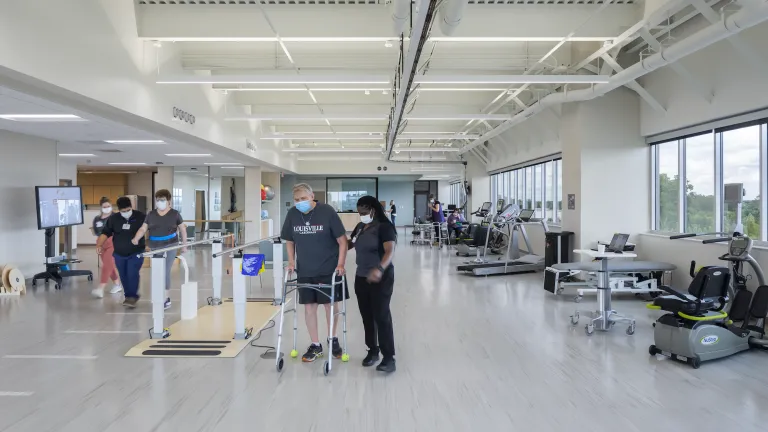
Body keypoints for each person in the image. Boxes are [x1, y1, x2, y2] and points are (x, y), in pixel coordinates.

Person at [281, 183, 348, 363]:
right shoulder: (292, 214)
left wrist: (341, 263)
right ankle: (315, 344)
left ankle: (332, 339)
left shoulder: (327, 212)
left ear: (312, 196)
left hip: (329, 267)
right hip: (305, 268)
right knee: (309, 307)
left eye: (303, 199)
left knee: (330, 306)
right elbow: (289, 240)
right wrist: (292, 261)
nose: (300, 202)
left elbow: (342, 241)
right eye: (296, 200)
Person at [348, 196, 397, 373]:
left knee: (381, 315)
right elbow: (349, 244)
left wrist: (380, 268)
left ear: (373, 210)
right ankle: (372, 351)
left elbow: (390, 251)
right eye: (359, 212)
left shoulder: (385, 227)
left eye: (364, 212)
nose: (361, 215)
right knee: (366, 315)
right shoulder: (361, 227)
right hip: (361, 276)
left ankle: (389, 357)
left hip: (381, 277)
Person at [132, 189, 187, 310]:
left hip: (171, 244)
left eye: (162, 200)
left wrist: (184, 245)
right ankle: (159, 295)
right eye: (158, 200)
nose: (160, 202)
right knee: (157, 271)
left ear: (168, 201)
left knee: (165, 270)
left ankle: (166, 298)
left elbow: (182, 229)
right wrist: (136, 238)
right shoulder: (151, 214)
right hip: (155, 245)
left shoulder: (175, 214)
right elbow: (143, 228)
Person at [96, 197, 146, 308]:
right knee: (123, 275)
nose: (126, 213)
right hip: (119, 253)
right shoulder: (114, 219)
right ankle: (128, 296)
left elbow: (148, 229)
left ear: (131, 207)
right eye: (123, 211)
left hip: (136, 252)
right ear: (119, 210)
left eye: (128, 210)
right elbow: (106, 232)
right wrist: (99, 245)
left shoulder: (140, 216)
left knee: (132, 273)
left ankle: (132, 297)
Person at [90, 197, 122, 298]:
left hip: (113, 243)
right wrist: (98, 244)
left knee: (107, 264)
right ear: (101, 207)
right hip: (101, 243)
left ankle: (101, 288)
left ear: (111, 206)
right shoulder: (97, 219)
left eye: (108, 206)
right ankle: (117, 284)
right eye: (104, 207)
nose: (107, 208)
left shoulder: (116, 217)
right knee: (109, 265)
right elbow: (96, 231)